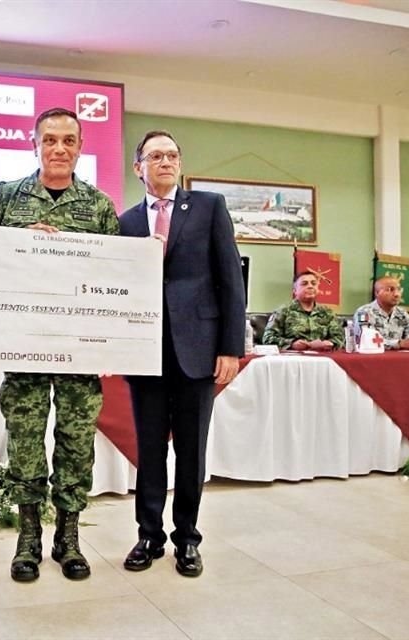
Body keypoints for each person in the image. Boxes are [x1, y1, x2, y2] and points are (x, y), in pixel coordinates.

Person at [0, 107, 118, 582]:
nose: (59, 149)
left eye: (69, 140)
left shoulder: (100, 206)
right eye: (50, 140)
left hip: (79, 344)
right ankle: (28, 538)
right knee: (24, 439)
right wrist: (19, 241)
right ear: (35, 143)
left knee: (75, 440)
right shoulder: (6, 199)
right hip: (22, 340)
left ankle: (69, 537)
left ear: (81, 148)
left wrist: (111, 343)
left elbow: (114, 277)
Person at [118, 129, 245, 578]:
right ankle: (148, 535)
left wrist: (232, 347)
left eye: (172, 154)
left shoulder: (208, 207)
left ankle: (187, 540)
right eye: (156, 156)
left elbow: (230, 279)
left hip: (198, 349)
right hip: (144, 352)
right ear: (140, 167)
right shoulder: (127, 220)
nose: (166, 161)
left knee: (191, 451)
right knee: (149, 450)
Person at [262, 271, 344, 351]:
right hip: (293, 358)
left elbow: (340, 338)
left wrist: (330, 343)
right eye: (304, 284)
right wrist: (291, 344)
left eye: (314, 283)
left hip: (322, 358)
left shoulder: (327, 312)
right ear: (295, 291)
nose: (310, 286)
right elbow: (268, 338)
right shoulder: (283, 311)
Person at [352, 276, 409, 350]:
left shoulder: (402, 313)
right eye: (390, 290)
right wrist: (400, 344)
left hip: (398, 358)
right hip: (372, 358)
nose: (397, 294)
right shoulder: (364, 312)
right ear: (377, 293)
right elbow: (365, 341)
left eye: (399, 289)